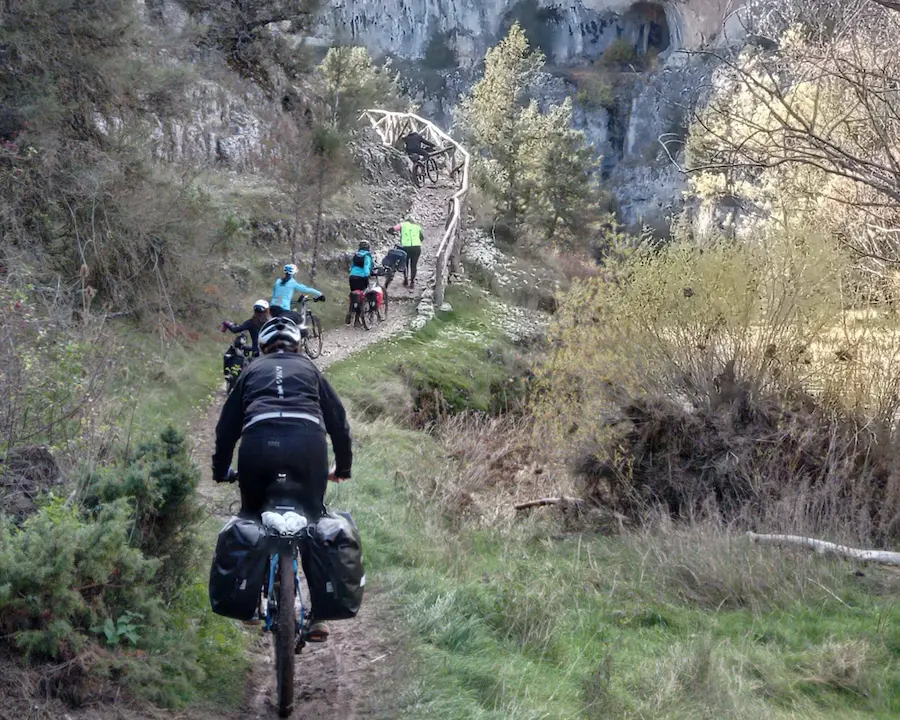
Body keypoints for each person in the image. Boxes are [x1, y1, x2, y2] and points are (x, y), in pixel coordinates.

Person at [212, 315, 352, 642]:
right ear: (298, 346)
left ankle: (248, 601)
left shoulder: (250, 371)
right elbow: (339, 423)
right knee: (314, 521)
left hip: (258, 449)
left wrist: (221, 471)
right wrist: (343, 468)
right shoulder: (310, 369)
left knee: (252, 517)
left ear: (262, 347)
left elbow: (226, 429)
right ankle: (319, 616)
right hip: (308, 448)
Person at [388, 216, 424, 287]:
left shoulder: (402, 225)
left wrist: (394, 234)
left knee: (405, 264)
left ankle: (406, 279)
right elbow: (422, 238)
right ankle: (412, 282)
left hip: (406, 248)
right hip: (416, 248)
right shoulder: (417, 227)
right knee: (414, 265)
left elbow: (391, 229)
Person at [347, 240, 375, 324]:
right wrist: (368, 275)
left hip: (352, 277)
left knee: (354, 295)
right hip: (361, 277)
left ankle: (350, 313)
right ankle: (357, 320)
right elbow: (366, 267)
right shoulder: (367, 256)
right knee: (362, 297)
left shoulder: (356, 255)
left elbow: (352, 266)